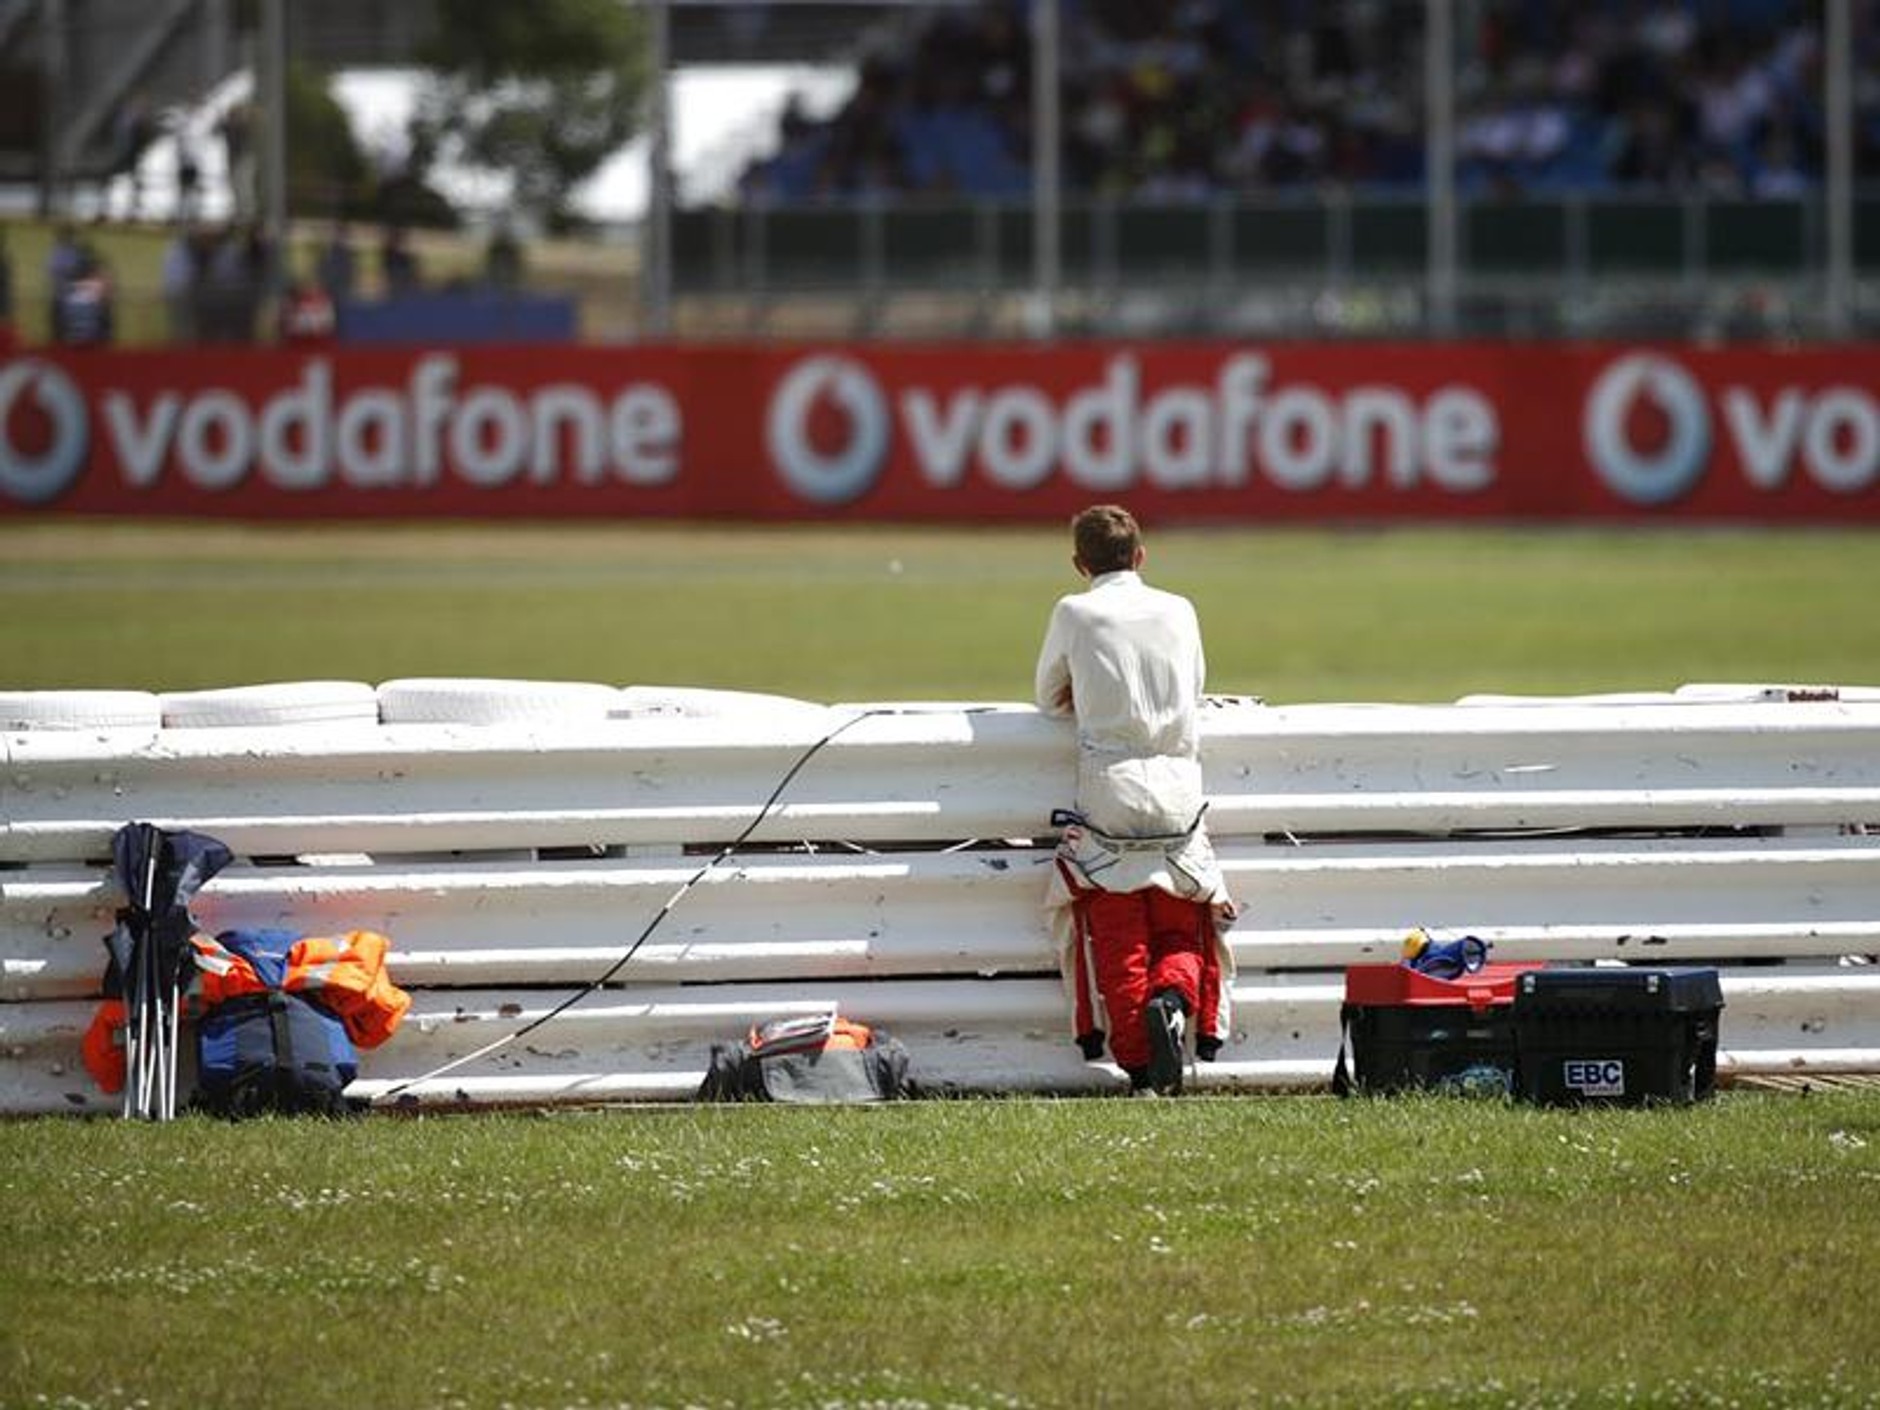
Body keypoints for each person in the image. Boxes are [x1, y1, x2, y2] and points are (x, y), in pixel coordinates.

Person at [1036, 505, 1234, 1095]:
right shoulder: (1181, 609)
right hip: (1180, 793)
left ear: (1080, 564)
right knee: (1180, 929)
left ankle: (1142, 1068)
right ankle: (1173, 998)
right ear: (1141, 556)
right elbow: (1195, 686)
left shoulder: (1074, 611)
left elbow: (1049, 698)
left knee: (1120, 936)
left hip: (1110, 794)